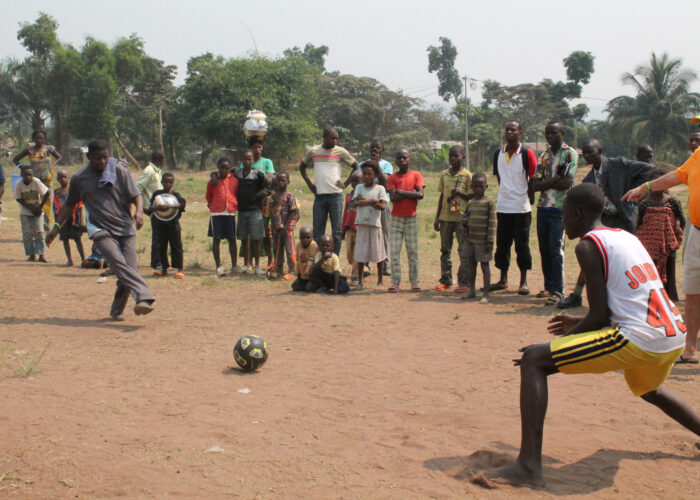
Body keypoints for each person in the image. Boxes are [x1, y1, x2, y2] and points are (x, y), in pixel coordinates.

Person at [484, 183, 698, 488]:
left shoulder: (587, 245)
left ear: (577, 213)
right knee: (648, 387)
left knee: (534, 360)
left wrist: (554, 347)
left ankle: (528, 467)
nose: (562, 220)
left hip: (642, 338)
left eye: (564, 215)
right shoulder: (625, 237)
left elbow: (600, 317)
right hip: (673, 334)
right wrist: (579, 322)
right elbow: (623, 302)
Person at [47, 140, 155, 320]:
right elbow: (69, 205)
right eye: (98, 158)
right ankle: (144, 295)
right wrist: (56, 228)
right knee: (118, 262)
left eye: (106, 158)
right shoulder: (79, 178)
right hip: (99, 228)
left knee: (130, 268)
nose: (103, 162)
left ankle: (116, 309)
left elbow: (136, 194)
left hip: (124, 226)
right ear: (89, 157)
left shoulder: (118, 171)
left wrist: (139, 212)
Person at [622, 132, 700, 364]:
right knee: (693, 291)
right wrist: (645, 187)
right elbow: (678, 175)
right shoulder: (697, 157)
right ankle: (690, 349)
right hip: (696, 232)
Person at [558, 139, 653, 309]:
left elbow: (649, 171)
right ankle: (577, 294)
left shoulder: (619, 165)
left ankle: (629, 299)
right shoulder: (588, 179)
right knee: (592, 256)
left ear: (600, 150)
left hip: (623, 221)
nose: (587, 156)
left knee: (622, 263)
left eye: (591, 152)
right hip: (603, 223)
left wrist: (635, 192)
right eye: (584, 153)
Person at [531, 121, 578, 304]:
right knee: (544, 249)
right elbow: (534, 185)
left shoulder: (570, 154)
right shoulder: (543, 155)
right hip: (543, 207)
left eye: (553, 133)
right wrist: (555, 179)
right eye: (547, 133)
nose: (549, 136)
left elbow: (566, 183)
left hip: (560, 208)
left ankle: (558, 291)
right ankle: (549, 286)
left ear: (562, 133)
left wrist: (548, 182)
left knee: (555, 249)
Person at [491, 121, 537, 295]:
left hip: (521, 209)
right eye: (507, 129)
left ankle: (523, 282)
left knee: (522, 246)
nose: (509, 132)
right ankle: (503, 280)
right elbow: (499, 178)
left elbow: (532, 179)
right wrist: (506, 193)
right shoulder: (498, 154)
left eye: (513, 130)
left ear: (520, 133)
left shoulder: (527, 154)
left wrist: (526, 196)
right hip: (503, 207)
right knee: (502, 245)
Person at [299, 126, 358, 254]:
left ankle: (334, 259)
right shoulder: (314, 151)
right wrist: (309, 183)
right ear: (324, 138)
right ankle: (318, 259)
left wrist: (346, 183)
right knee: (318, 231)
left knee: (337, 231)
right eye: (332, 138)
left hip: (335, 196)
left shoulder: (340, 151)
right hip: (319, 197)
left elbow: (355, 166)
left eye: (336, 139)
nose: (335, 141)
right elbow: (302, 166)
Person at [635, 168, 685, 302]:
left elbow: (681, 219)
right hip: (647, 245)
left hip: (667, 244)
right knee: (648, 270)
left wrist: (676, 227)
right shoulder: (645, 203)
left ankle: (669, 299)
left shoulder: (672, 201)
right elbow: (639, 222)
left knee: (669, 270)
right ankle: (649, 297)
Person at [433, 144, 472, 293]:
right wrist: (437, 218)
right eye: (451, 156)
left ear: (463, 157)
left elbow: (472, 196)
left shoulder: (467, 176)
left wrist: (460, 194)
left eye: (457, 155)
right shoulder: (444, 175)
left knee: (463, 250)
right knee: (445, 250)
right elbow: (442, 196)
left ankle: (464, 281)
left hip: (461, 217)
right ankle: (446, 279)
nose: (453, 159)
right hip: (445, 218)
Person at [386, 149, 425, 293]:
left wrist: (400, 191)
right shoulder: (392, 178)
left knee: (413, 252)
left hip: (411, 218)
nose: (402, 160)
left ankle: (414, 282)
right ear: (396, 160)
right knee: (394, 252)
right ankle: (395, 282)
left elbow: (420, 195)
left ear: (409, 159)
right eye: (399, 158)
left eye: (404, 157)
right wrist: (411, 194)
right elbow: (393, 198)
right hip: (396, 218)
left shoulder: (416, 175)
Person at [13, 130, 62, 229]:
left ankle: (46, 228)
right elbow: (15, 159)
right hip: (34, 181)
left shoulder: (49, 149)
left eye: (41, 138)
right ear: (34, 139)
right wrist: (24, 169)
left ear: (44, 139)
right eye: (37, 138)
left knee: (47, 203)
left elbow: (59, 157)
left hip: (47, 180)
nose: (39, 140)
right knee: (36, 203)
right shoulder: (30, 150)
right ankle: (37, 227)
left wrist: (51, 165)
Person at [358, 139, 393, 276]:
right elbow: (361, 182)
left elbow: (385, 183)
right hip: (365, 203)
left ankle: (386, 263)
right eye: (372, 148)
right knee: (365, 232)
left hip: (382, 203)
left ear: (382, 150)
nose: (375, 150)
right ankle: (365, 264)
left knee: (384, 233)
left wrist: (376, 165)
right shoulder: (362, 165)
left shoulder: (386, 165)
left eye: (377, 148)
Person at [351, 161, 387, 289]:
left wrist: (364, 200)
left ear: (375, 175)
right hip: (362, 223)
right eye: (364, 174)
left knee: (379, 254)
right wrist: (371, 200)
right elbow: (355, 203)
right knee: (361, 253)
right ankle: (360, 281)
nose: (366, 176)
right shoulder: (359, 188)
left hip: (375, 224)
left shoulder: (380, 189)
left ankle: (380, 281)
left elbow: (382, 206)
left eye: (369, 174)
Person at [461, 173, 496, 303]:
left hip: (483, 242)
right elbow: (465, 218)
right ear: (471, 187)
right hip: (470, 240)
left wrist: (490, 241)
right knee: (471, 265)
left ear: (486, 186)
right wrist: (464, 228)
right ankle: (471, 291)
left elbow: (492, 223)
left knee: (485, 266)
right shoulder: (470, 203)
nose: (478, 189)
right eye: (475, 186)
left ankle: (486, 293)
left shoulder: (489, 203)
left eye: (481, 186)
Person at [243, 138, 275, 267]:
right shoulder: (244, 162)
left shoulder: (267, 162)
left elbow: (271, 178)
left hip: (265, 202)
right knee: (250, 233)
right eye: (254, 147)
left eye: (259, 147)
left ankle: (270, 262)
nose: (257, 149)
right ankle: (249, 262)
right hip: (250, 202)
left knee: (267, 232)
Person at [234, 150, 268, 275]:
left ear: (253, 160)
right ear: (241, 160)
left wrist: (261, 195)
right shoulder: (237, 172)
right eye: (244, 159)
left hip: (255, 211)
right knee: (244, 239)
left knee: (256, 239)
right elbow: (220, 172)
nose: (247, 161)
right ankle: (246, 264)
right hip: (242, 211)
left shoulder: (258, 174)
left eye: (249, 159)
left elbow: (267, 186)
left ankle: (257, 265)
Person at [147, 172, 186, 279]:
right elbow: (149, 208)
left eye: (170, 182)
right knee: (161, 246)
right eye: (166, 182)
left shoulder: (175, 194)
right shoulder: (157, 194)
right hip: (160, 224)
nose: (168, 184)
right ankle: (163, 268)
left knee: (176, 246)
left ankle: (180, 269)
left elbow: (182, 204)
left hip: (173, 225)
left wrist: (170, 206)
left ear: (173, 183)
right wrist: (158, 208)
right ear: (162, 182)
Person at [206, 157, 239, 277]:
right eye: (222, 168)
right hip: (217, 214)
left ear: (230, 168)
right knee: (216, 239)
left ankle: (234, 266)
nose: (224, 170)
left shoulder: (235, 180)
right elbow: (208, 197)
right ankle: (218, 265)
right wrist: (214, 206)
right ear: (218, 168)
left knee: (232, 239)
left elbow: (236, 193)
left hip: (230, 213)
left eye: (227, 168)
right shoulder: (212, 181)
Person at [14, 165, 50, 262]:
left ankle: (41, 254)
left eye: (30, 175)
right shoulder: (19, 184)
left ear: (33, 175)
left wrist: (40, 207)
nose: (28, 177)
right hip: (25, 212)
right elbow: (18, 198)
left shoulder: (36, 182)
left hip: (37, 211)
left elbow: (47, 192)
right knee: (27, 234)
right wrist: (30, 208)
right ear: (21, 175)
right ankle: (31, 255)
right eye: (26, 175)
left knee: (40, 232)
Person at [53, 170, 86, 267]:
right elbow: (55, 207)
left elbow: (80, 206)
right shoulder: (56, 192)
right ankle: (69, 260)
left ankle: (83, 259)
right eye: (60, 177)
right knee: (65, 239)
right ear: (58, 179)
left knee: (77, 239)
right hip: (62, 220)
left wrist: (81, 220)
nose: (63, 179)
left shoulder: (73, 190)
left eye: (65, 177)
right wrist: (56, 222)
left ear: (68, 178)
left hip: (74, 218)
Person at [270, 172, 299, 280]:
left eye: (283, 180)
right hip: (277, 230)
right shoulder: (273, 197)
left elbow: (294, 212)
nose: (281, 183)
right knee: (277, 249)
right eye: (279, 180)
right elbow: (272, 212)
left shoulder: (290, 196)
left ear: (288, 182)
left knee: (290, 249)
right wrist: (277, 226)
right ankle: (279, 269)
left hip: (288, 230)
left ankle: (292, 269)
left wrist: (286, 227)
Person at [341, 170, 362, 285]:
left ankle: (355, 275)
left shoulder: (364, 195)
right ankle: (362, 269)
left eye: (357, 181)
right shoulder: (348, 195)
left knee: (357, 253)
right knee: (349, 254)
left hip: (359, 228)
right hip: (349, 228)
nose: (354, 183)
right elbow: (345, 211)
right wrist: (343, 229)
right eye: (352, 181)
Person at [291, 226, 319, 292]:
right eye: (302, 237)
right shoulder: (298, 245)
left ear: (312, 237)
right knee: (294, 286)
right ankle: (305, 284)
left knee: (308, 289)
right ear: (299, 237)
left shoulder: (313, 245)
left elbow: (311, 263)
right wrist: (299, 276)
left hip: (313, 275)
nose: (305, 240)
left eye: (308, 237)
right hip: (303, 274)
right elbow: (298, 262)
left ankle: (317, 285)